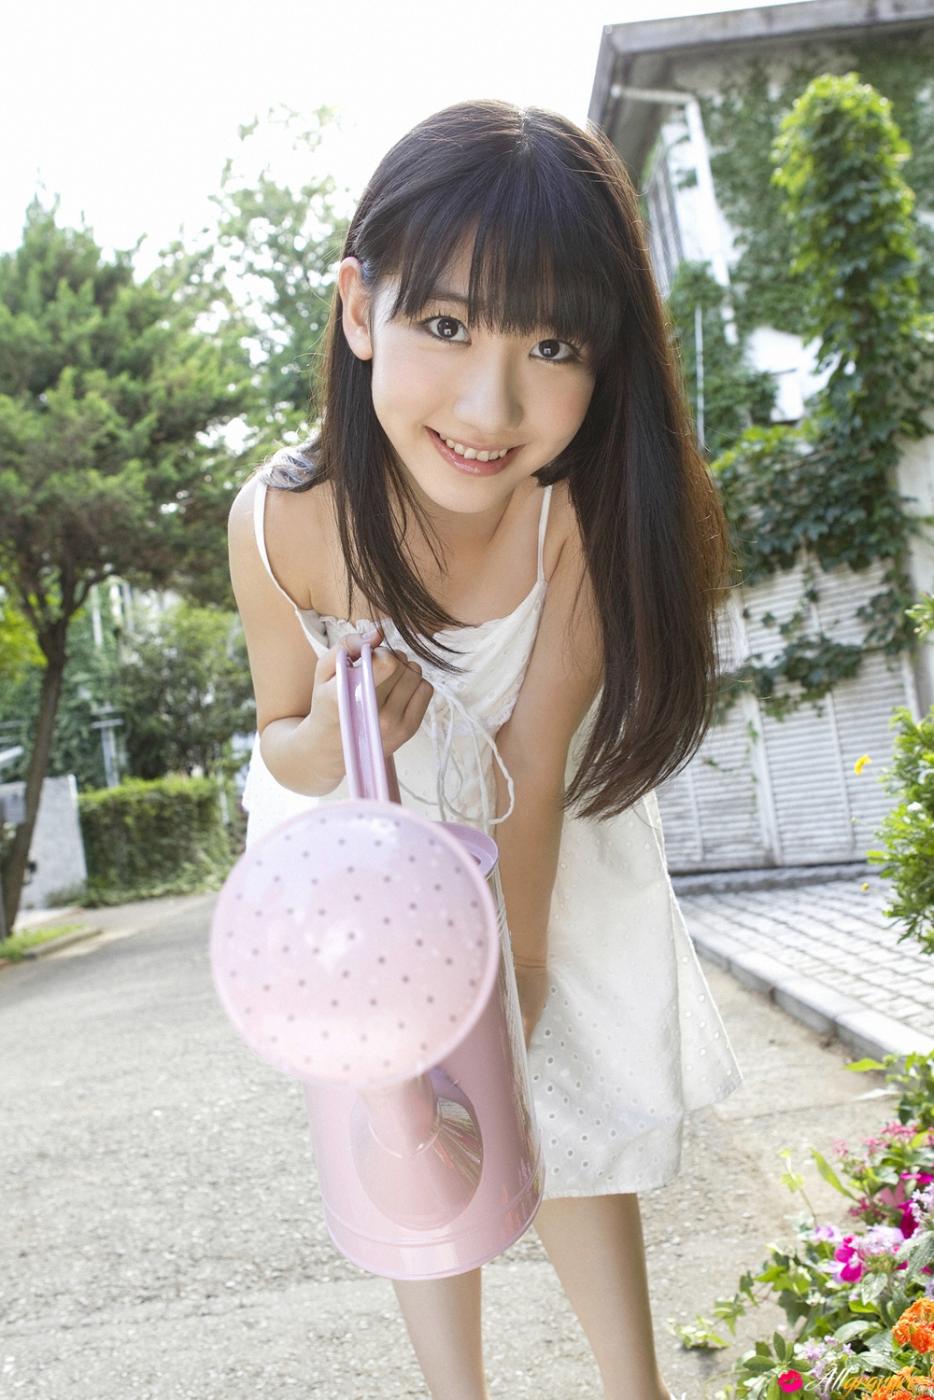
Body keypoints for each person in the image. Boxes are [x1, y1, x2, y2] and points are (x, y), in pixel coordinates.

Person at [227, 97, 741, 1400]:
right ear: (360, 310)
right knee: (404, 1127)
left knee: (560, 1105)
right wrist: (336, 737)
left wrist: (508, 996)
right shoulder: (285, 521)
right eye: (446, 325)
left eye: (550, 343)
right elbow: (282, 744)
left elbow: (535, 764)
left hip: (533, 828)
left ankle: (635, 1386)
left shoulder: (574, 517)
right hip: (361, 845)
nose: (489, 400)